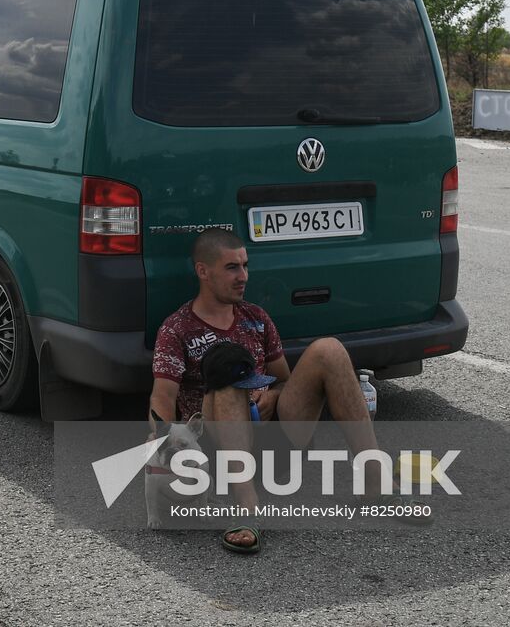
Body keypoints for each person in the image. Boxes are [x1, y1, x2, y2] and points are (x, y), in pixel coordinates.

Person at [149, 228, 387, 555]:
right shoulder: (177, 328)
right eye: (232, 267)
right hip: (216, 452)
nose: (243, 276)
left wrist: (271, 395)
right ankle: (247, 509)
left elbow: (284, 382)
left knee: (329, 350)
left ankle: (375, 481)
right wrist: (160, 457)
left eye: (245, 266)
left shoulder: (256, 318)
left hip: (273, 438)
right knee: (227, 379)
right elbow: (162, 398)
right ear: (203, 271)